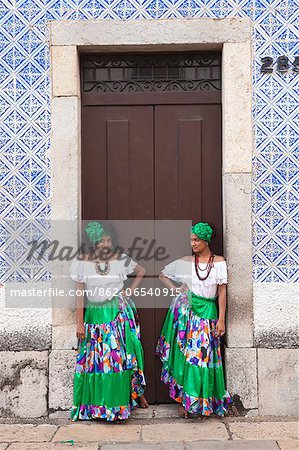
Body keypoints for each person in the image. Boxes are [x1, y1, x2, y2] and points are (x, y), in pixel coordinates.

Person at [69, 221, 148, 422]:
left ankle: (122, 402)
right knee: (97, 361)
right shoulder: (82, 263)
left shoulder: (120, 259)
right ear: (93, 243)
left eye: (108, 239)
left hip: (116, 314)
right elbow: (79, 295)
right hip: (95, 317)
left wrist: (129, 291)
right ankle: (99, 404)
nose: (106, 244)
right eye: (101, 240)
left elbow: (142, 271)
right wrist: (79, 323)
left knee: (117, 359)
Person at [156, 221, 231, 418]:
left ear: (206, 241)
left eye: (197, 240)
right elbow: (162, 275)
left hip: (208, 315)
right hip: (188, 317)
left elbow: (222, 292)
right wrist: (176, 290)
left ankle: (203, 401)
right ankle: (187, 401)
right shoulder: (187, 262)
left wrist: (221, 319)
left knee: (204, 359)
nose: (193, 243)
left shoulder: (219, 262)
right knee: (189, 358)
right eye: (191, 240)